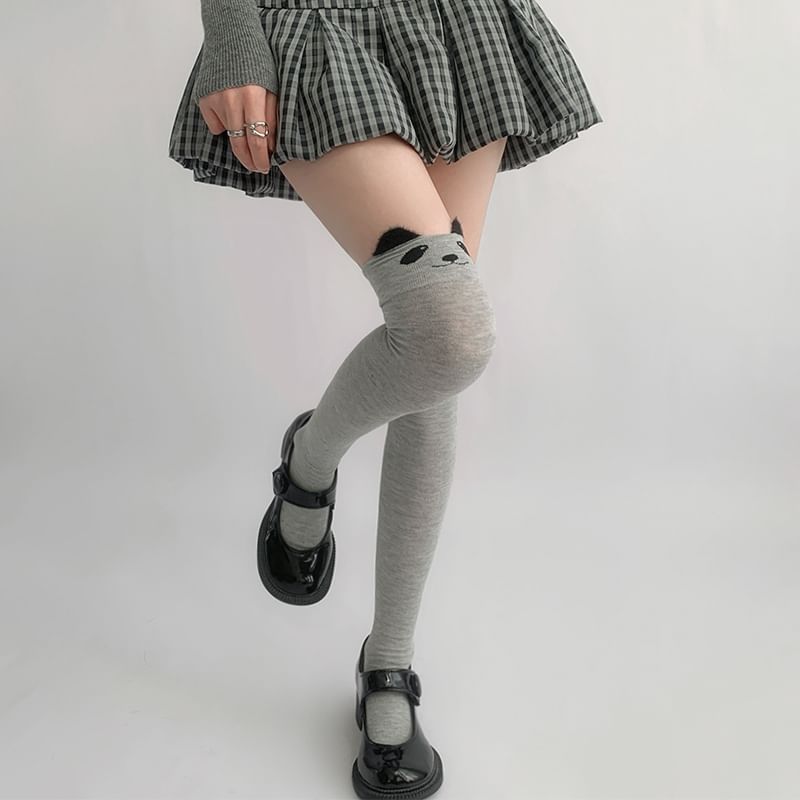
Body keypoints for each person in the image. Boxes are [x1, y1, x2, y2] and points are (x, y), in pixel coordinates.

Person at [168, 1, 603, 797]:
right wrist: (230, 30)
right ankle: (311, 460)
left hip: (456, 23)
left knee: (436, 338)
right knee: (446, 329)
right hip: (316, 26)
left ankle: (388, 663)